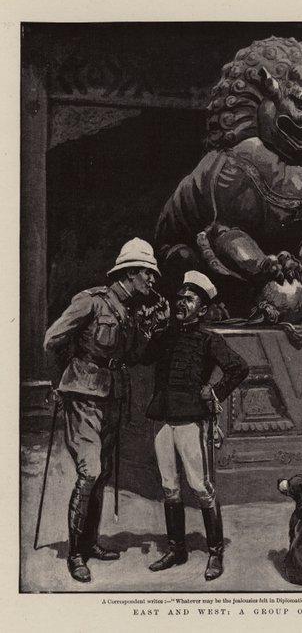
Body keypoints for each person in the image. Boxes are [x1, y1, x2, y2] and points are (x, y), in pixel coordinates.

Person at [43, 237, 169, 583]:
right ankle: (75, 555)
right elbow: (52, 340)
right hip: (83, 395)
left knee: (102, 474)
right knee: (90, 472)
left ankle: (89, 543)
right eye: (147, 273)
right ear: (129, 274)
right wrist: (59, 383)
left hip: (112, 396)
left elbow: (136, 356)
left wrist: (153, 331)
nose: (152, 280)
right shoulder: (91, 301)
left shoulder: (130, 311)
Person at [144, 271, 249, 581]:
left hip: (192, 421)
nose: (181, 303)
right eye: (179, 298)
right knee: (169, 487)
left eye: (189, 300)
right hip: (163, 419)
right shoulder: (165, 334)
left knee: (201, 488)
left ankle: (215, 552)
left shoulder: (208, 339)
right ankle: (176, 549)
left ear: (202, 309)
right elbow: (142, 356)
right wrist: (155, 328)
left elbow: (239, 368)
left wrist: (214, 391)